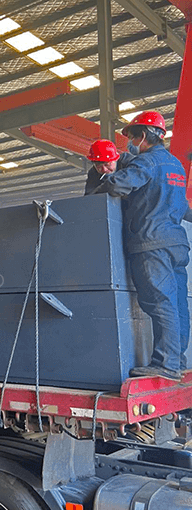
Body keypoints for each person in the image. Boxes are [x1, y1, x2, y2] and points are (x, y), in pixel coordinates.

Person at [99, 111, 190, 381]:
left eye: (131, 137)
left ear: (142, 136)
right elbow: (182, 205)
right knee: (178, 304)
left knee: (160, 302)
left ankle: (166, 364)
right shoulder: (175, 166)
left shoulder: (146, 162)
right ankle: (177, 360)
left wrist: (110, 174)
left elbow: (117, 186)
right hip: (176, 244)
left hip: (152, 243)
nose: (130, 143)